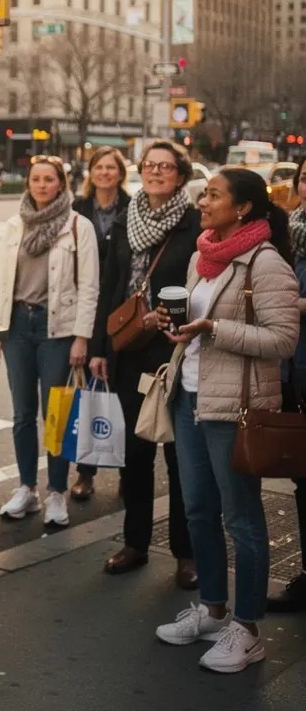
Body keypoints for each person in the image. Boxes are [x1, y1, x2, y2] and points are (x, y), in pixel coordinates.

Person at [155, 167, 299, 673]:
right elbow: (197, 324)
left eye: (213, 195)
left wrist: (215, 327)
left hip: (234, 409)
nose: (203, 201)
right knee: (197, 511)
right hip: (190, 398)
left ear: (243, 208)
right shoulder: (203, 254)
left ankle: (248, 627)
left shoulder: (265, 261)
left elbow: (283, 340)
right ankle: (214, 610)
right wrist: (177, 328)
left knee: (242, 518)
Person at [89, 140, 198, 588]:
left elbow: (199, 286)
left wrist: (166, 317)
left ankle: (185, 553)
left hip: (174, 353)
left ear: (180, 175)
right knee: (135, 453)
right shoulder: (125, 220)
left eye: (165, 167)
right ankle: (134, 543)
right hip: (128, 351)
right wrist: (100, 346)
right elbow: (110, 285)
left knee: (179, 457)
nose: (155, 173)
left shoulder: (193, 223)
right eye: (150, 166)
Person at [0, 156, 99, 528]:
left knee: (56, 415)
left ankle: (56, 492)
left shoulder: (77, 225)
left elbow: (90, 288)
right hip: (17, 324)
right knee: (21, 414)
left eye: (49, 179)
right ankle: (26, 489)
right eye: (36, 179)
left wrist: (82, 337)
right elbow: (1, 282)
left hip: (58, 329)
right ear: (28, 183)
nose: (41, 185)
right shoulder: (13, 224)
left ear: (61, 184)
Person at [70, 146, 131, 502]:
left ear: (120, 173)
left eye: (112, 167)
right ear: (91, 173)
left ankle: (127, 472)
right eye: (99, 167)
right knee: (87, 394)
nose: (105, 173)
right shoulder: (78, 209)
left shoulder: (131, 207)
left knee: (121, 393)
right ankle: (86, 473)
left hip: (119, 306)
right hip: (84, 305)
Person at [267, 157, 306, 613]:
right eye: (304, 179)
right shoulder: (288, 235)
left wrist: (296, 303)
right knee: (303, 477)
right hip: (294, 370)